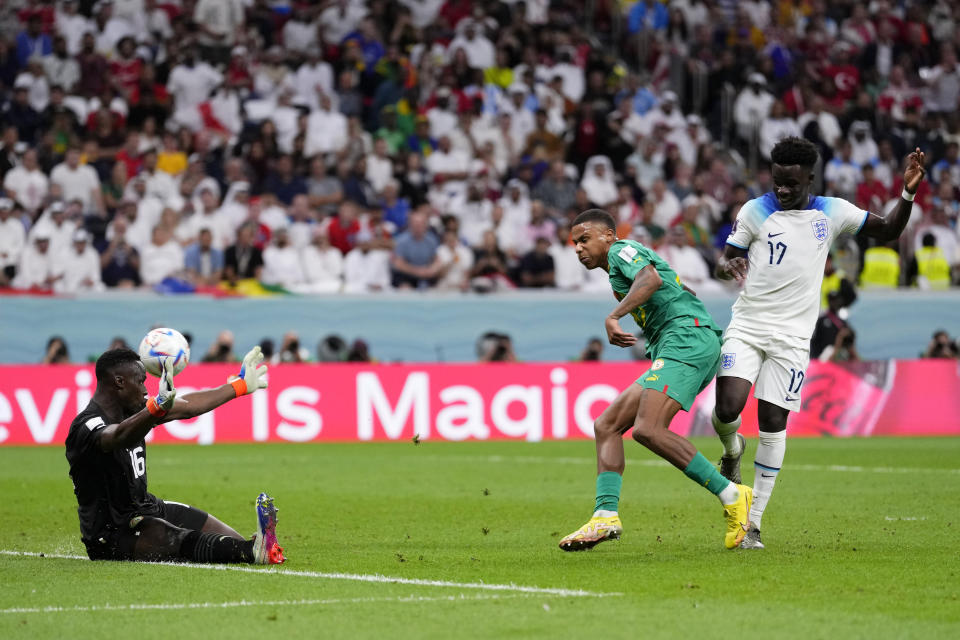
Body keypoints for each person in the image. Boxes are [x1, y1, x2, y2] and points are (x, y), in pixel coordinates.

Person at [712, 138, 926, 549]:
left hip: (793, 337)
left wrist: (907, 192)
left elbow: (890, 231)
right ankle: (731, 447)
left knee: (774, 423)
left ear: (810, 177)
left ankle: (751, 526)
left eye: (791, 183)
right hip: (749, 324)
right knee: (727, 409)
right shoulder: (754, 210)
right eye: (777, 182)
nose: (782, 190)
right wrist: (729, 265)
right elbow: (725, 261)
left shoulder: (833, 212)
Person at [558, 209, 751, 553]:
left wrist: (615, 316)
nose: (578, 248)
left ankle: (733, 494)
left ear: (608, 236)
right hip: (678, 341)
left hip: (685, 340)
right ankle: (605, 515)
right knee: (607, 425)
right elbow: (673, 283)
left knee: (648, 429)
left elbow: (652, 279)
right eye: (575, 243)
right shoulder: (618, 269)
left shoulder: (621, 251)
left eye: (584, 239)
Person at [65, 346, 285, 563]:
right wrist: (154, 408)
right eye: (140, 381)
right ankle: (253, 550)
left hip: (146, 506)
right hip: (113, 531)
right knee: (174, 537)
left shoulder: (135, 410)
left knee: (230, 539)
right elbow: (117, 436)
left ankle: (252, 546)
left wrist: (238, 386)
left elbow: (188, 406)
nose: (145, 390)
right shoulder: (87, 425)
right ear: (119, 382)